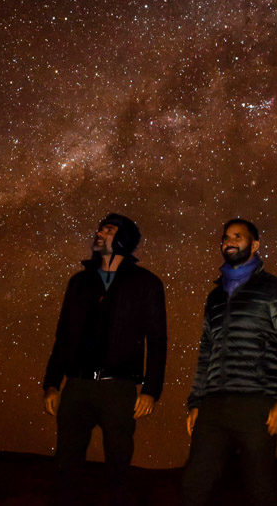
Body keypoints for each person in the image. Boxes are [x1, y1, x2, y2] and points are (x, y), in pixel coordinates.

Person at [181, 218, 277, 506]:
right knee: (193, 487)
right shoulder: (214, 297)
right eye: (226, 237)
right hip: (213, 407)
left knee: (260, 489)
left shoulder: (275, 289)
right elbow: (206, 352)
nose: (229, 242)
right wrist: (196, 402)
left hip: (257, 405)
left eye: (238, 236)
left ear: (255, 245)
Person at [43, 213, 167, 505]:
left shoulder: (146, 283)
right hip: (76, 386)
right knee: (66, 465)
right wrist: (51, 383)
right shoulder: (80, 282)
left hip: (118, 389)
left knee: (118, 468)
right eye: (100, 228)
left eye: (108, 229)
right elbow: (64, 336)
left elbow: (158, 340)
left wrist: (151, 390)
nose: (99, 232)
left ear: (124, 238)